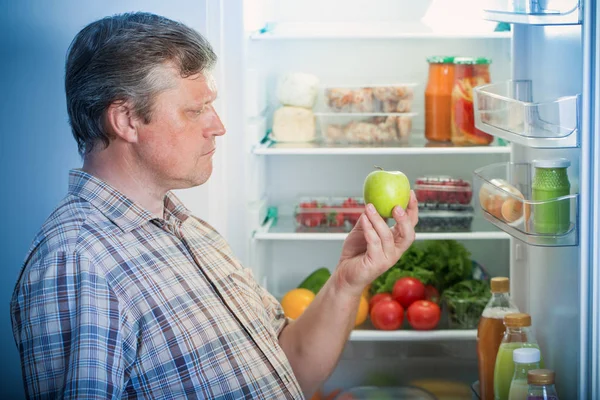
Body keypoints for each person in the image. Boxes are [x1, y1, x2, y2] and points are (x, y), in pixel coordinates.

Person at [10, 12, 418, 399]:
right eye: (196, 109)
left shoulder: (189, 229)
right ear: (126, 120)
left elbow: (291, 365)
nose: (217, 125)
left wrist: (348, 281)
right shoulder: (78, 262)